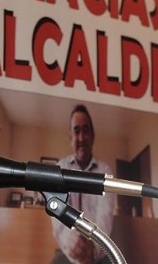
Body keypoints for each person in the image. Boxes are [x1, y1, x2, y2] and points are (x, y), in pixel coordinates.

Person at [51, 104, 114, 264]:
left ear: (92, 136)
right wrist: (75, 247)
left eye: (86, 130)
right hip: (67, 252)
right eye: (76, 131)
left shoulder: (105, 171)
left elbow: (105, 218)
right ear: (70, 137)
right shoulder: (60, 169)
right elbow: (58, 217)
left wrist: (92, 249)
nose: (81, 138)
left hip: (97, 253)